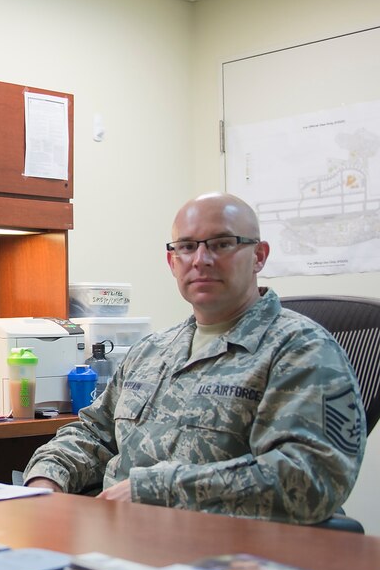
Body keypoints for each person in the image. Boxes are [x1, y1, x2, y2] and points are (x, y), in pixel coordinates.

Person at [23, 192, 365, 524]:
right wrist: (46, 478)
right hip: (118, 535)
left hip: (225, 548)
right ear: (172, 262)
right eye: (187, 247)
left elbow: (311, 478)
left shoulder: (301, 350)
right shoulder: (151, 351)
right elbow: (94, 434)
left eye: (222, 243)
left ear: (259, 256)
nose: (201, 259)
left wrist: (155, 490)